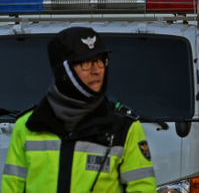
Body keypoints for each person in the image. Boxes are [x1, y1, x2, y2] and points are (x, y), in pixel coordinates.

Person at [2, 27, 157, 192]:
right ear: (64, 70)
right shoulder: (27, 125)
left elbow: (142, 189)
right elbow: (11, 188)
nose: (97, 70)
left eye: (100, 60)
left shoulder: (124, 127)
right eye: (87, 63)